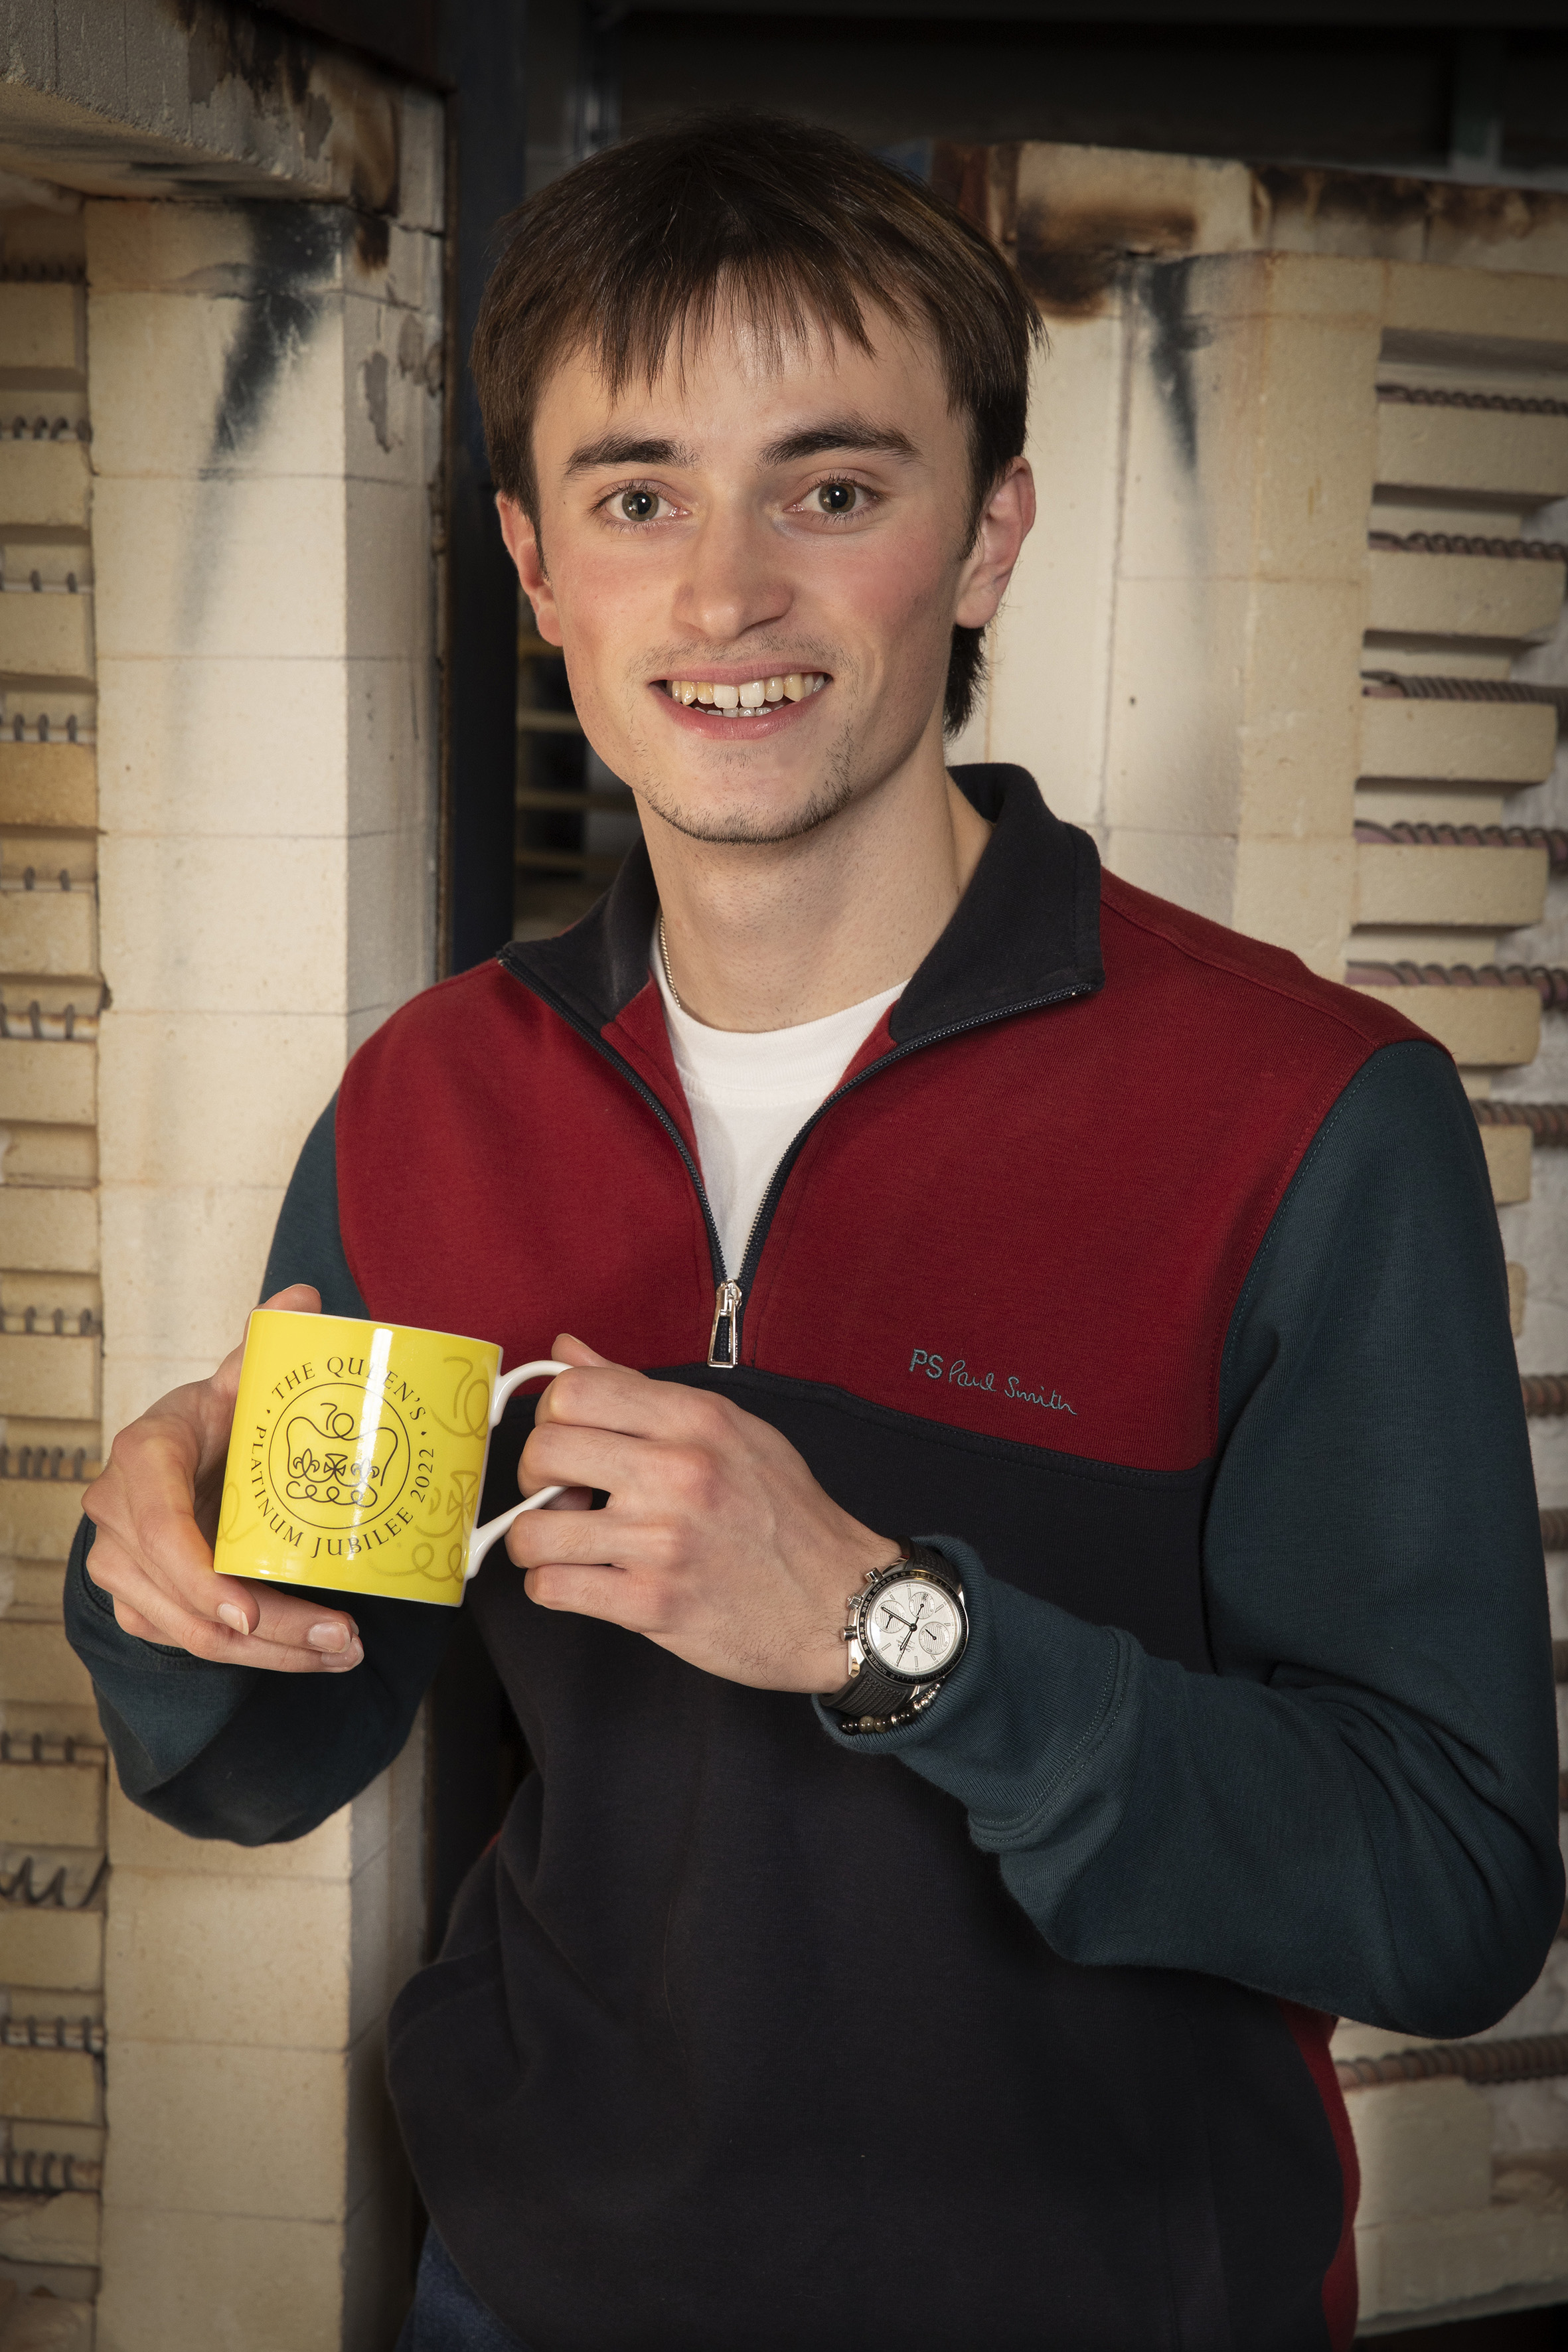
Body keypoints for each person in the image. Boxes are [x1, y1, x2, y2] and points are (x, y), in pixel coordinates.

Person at [66, 114, 1561, 2352]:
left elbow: (1446, 1897)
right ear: (535, 562)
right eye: (636, 495)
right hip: (536, 2288)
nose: (725, 591)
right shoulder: (438, 1099)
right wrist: (170, 1587)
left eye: (834, 491)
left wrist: (887, 1632)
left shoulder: (1300, 1115)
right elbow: (274, 1748)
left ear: (984, 542)